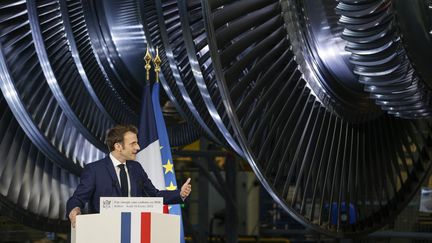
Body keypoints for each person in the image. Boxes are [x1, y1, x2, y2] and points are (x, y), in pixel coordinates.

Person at [66, 125, 192, 227]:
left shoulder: (136, 168)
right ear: (118, 146)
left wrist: (179, 194)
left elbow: (154, 195)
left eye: (137, 143)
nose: (138, 147)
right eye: (133, 143)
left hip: (134, 231)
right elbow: (78, 198)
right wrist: (74, 210)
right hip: (104, 232)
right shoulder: (94, 170)